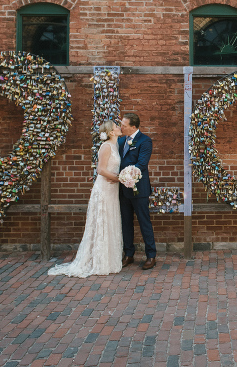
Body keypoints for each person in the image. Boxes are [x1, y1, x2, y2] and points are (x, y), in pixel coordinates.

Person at [48, 120, 123, 277]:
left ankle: (109, 259)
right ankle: (98, 261)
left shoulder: (115, 145)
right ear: (111, 132)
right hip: (104, 188)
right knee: (101, 221)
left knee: (110, 220)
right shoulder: (106, 146)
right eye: (116, 126)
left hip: (112, 189)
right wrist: (120, 178)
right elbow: (101, 170)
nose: (119, 127)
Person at [118, 112, 157, 270]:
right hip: (122, 189)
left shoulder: (145, 140)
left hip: (138, 189)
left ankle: (151, 255)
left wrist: (125, 175)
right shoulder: (120, 141)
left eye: (124, 125)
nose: (121, 127)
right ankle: (129, 254)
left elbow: (141, 164)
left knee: (144, 221)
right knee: (126, 222)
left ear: (133, 127)